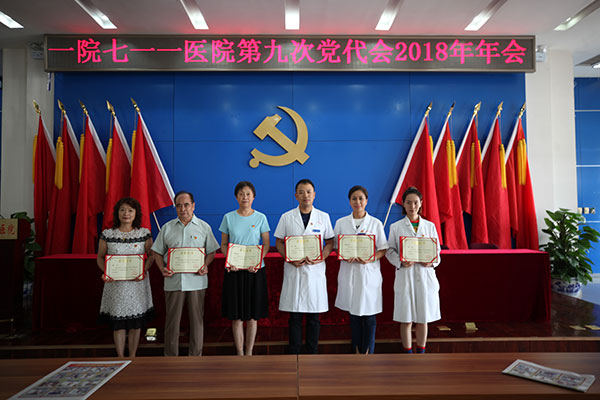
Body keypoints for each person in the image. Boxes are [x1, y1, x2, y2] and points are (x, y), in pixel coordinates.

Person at [152, 191, 220, 356]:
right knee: (172, 322)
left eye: (186, 205)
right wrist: (161, 268)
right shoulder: (167, 228)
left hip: (197, 281)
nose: (183, 209)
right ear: (175, 207)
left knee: (197, 321)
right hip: (173, 281)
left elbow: (211, 251)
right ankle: (170, 357)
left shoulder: (204, 227)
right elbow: (157, 252)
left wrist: (205, 265)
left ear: (193, 206)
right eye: (179, 205)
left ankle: (195, 356)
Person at [274, 178, 334, 354]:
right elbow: (279, 242)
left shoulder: (323, 217)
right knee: (295, 317)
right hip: (294, 270)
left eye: (308, 192)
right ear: (296, 196)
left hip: (315, 271)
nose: (305, 195)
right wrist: (288, 258)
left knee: (314, 317)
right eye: (301, 192)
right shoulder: (286, 217)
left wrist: (321, 257)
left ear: (314, 195)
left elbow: (330, 242)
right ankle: (294, 352)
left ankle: (312, 352)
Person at [386, 186, 441, 354]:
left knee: (423, 318)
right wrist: (401, 261)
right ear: (403, 204)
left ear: (421, 203)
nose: (412, 206)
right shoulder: (396, 227)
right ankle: (408, 354)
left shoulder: (430, 226)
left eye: (415, 202)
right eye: (408, 202)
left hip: (425, 275)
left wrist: (430, 262)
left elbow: (437, 253)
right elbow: (390, 251)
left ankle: (421, 353)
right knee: (406, 318)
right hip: (406, 275)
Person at [97, 197, 155, 358]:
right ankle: (120, 357)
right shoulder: (108, 234)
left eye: (130, 210)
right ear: (117, 213)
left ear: (136, 213)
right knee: (118, 323)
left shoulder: (144, 233)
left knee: (136, 322)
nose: (126, 213)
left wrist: (143, 270)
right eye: (122, 210)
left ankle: (133, 356)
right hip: (115, 285)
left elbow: (151, 256)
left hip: (137, 283)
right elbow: (100, 257)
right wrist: (106, 272)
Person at [333, 185, 388, 354]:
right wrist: (343, 254)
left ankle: (368, 354)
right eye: (354, 199)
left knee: (369, 316)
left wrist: (371, 257)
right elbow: (335, 247)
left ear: (366, 201)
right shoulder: (341, 223)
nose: (358, 202)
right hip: (349, 272)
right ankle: (355, 352)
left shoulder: (375, 223)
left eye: (361, 198)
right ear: (349, 201)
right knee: (354, 316)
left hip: (368, 274)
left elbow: (383, 249)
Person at [219, 181, 270, 356]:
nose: (245, 197)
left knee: (253, 316)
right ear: (236, 197)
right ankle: (239, 353)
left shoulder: (261, 218)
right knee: (236, 316)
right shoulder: (228, 217)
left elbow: (266, 244)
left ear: (253, 197)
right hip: (234, 271)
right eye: (241, 194)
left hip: (254, 271)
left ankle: (249, 352)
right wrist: (229, 259)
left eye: (248, 194)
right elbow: (224, 244)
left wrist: (257, 261)